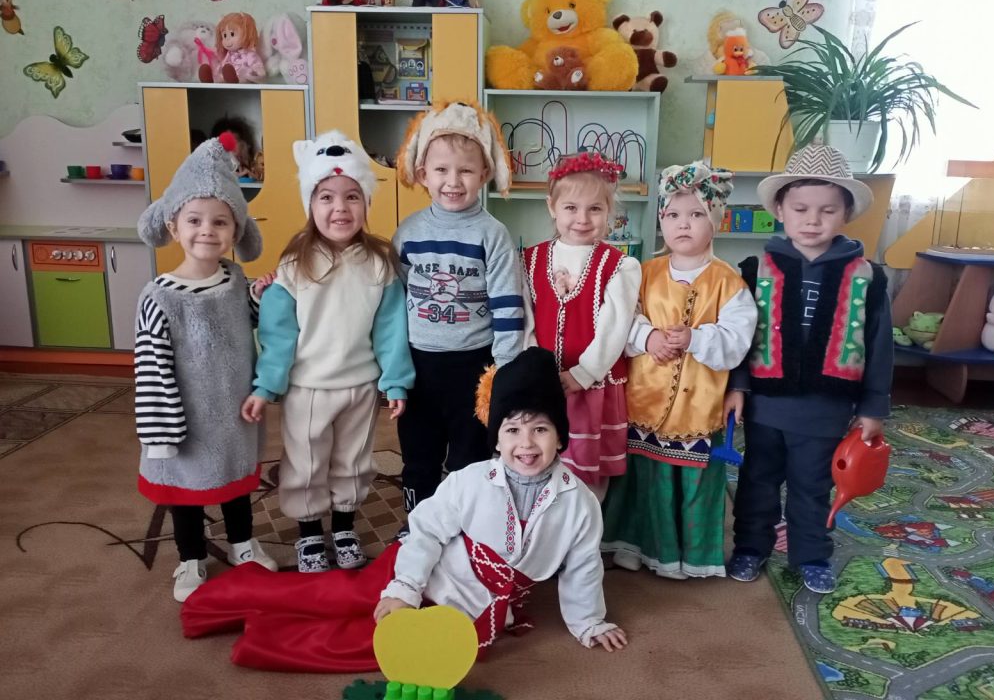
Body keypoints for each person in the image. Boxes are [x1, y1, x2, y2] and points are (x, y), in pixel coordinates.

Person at [181, 347, 627, 671]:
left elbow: (583, 565)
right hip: (416, 569)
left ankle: (262, 635)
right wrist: (404, 590)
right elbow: (426, 532)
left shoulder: (579, 503)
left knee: (370, 648)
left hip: (470, 612)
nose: (526, 444)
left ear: (560, 436)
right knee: (336, 597)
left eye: (540, 430)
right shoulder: (470, 481)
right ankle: (225, 598)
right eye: (512, 430)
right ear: (497, 436)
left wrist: (590, 622)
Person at [241, 131, 414, 573]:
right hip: (309, 388)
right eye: (326, 197)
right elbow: (278, 335)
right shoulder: (293, 266)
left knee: (353, 462)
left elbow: (391, 330)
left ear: (366, 203)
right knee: (306, 463)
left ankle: (343, 527)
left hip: (361, 386)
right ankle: (309, 534)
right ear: (310, 204)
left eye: (352, 196)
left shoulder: (379, 263)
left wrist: (396, 381)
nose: (340, 208)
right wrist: (266, 386)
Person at [726, 144, 893, 595]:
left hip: (826, 410)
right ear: (780, 210)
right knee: (757, 481)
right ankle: (750, 546)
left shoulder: (868, 277)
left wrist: (873, 407)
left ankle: (812, 554)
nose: (812, 220)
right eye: (800, 209)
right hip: (765, 406)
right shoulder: (754, 270)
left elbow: (879, 346)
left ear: (846, 214)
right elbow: (740, 336)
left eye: (827, 210)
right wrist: (737, 386)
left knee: (812, 485)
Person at [134, 132, 278, 603]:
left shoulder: (235, 279)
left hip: (234, 411)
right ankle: (190, 556)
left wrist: (261, 296)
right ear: (173, 226)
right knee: (186, 493)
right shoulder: (159, 297)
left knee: (235, 483)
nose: (207, 231)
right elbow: (151, 369)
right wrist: (163, 431)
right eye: (194, 220)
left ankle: (242, 543)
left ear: (236, 231)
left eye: (220, 222)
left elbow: (249, 321)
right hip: (184, 418)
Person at [601, 162, 757, 579]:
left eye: (696, 214)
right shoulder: (642, 273)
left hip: (697, 408)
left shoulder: (730, 283)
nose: (682, 224)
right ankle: (630, 547)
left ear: (715, 220)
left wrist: (695, 339)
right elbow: (621, 319)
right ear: (661, 220)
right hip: (643, 402)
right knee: (640, 482)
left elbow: (736, 342)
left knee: (690, 486)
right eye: (672, 214)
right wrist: (648, 337)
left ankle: (683, 557)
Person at [392, 101, 523, 514]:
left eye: (465, 170)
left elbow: (508, 304)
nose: (453, 181)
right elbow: (394, 302)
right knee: (419, 454)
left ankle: (467, 524)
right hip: (419, 365)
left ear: (484, 174)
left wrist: (504, 369)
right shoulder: (408, 232)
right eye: (441, 170)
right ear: (422, 174)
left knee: (471, 457)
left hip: (474, 365)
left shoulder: (493, 234)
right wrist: (391, 366)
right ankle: (418, 522)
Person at [521, 151, 641, 499]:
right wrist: (534, 368)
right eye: (571, 207)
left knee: (588, 472)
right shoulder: (530, 259)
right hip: (544, 384)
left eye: (595, 209)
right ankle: (545, 522)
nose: (582, 219)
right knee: (539, 457)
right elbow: (525, 320)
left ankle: (586, 524)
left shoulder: (620, 266)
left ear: (609, 211)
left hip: (593, 386)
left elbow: (614, 329)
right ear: (552, 207)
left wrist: (583, 373)